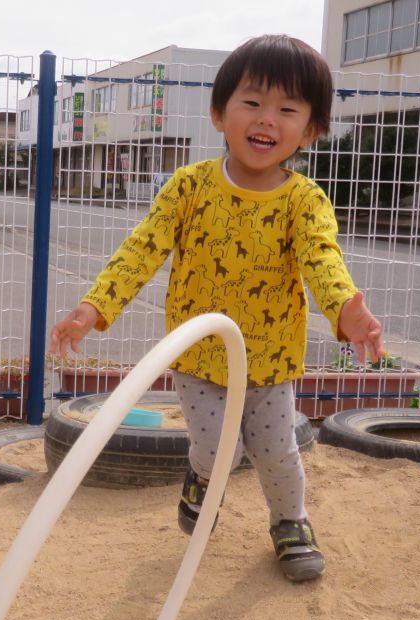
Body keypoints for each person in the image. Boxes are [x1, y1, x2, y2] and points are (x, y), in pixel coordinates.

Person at [49, 34, 384, 583]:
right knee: (217, 449)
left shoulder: (304, 201)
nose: (267, 120)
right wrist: (93, 308)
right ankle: (202, 481)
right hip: (199, 356)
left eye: (287, 109)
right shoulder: (189, 188)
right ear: (218, 113)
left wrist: (345, 310)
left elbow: (322, 258)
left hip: (270, 363)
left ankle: (291, 522)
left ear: (312, 130)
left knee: (277, 451)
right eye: (252, 103)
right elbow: (141, 250)